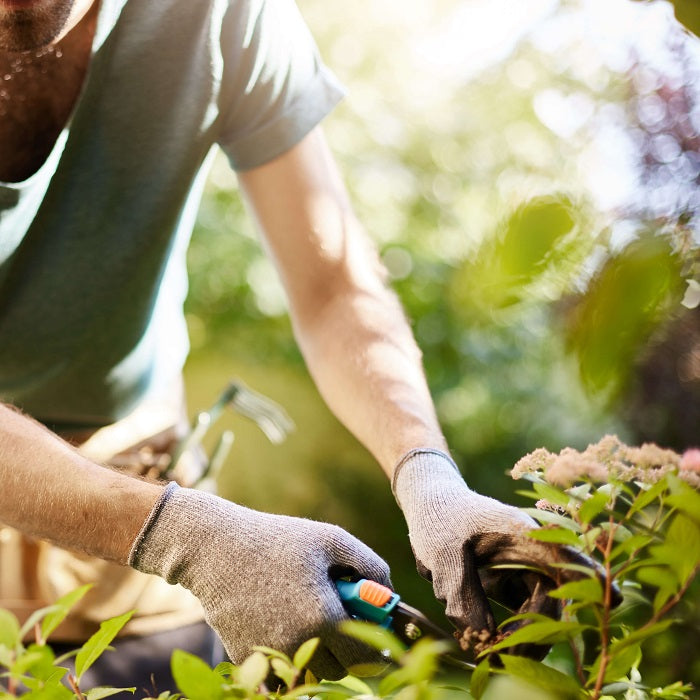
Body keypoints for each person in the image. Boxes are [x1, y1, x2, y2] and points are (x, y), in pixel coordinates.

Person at [0, 0, 596, 693]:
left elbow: (334, 284)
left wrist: (426, 475)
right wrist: (185, 536)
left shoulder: (217, 14)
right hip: (146, 523)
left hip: (134, 512)